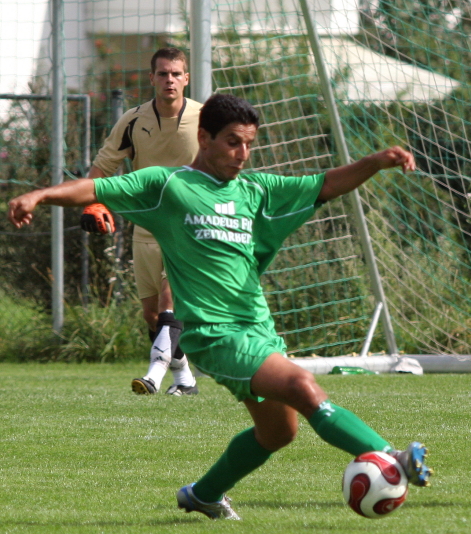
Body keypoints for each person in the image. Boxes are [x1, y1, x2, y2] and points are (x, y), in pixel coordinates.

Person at [8, 93, 431, 520]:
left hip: (258, 328)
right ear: (204, 138)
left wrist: (374, 162)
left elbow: (324, 184)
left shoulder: (256, 190)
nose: (242, 154)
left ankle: (203, 495)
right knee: (303, 386)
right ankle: (389, 454)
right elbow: (95, 188)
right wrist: (40, 196)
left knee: (278, 432)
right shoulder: (168, 186)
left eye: (249, 144)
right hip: (214, 334)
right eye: (232, 142)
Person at [83, 47, 202, 396]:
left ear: (186, 78)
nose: (169, 80)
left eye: (176, 74)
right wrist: (93, 203)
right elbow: (103, 165)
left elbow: (228, 161)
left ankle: (153, 375)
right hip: (146, 226)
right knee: (151, 315)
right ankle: (186, 381)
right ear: (152, 78)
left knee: (169, 303)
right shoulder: (133, 120)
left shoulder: (205, 118)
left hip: (188, 226)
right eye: (163, 73)